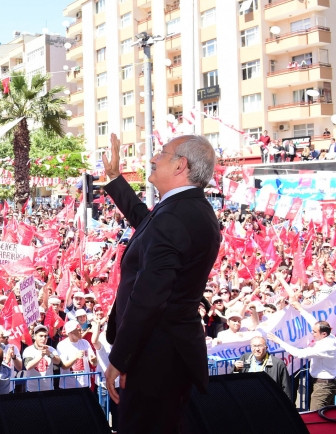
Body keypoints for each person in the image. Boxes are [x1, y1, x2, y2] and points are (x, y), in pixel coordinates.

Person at [101, 133, 221, 432]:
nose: (153, 158)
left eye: (161, 153)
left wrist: (121, 358)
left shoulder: (176, 215)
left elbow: (149, 297)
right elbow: (147, 223)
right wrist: (116, 179)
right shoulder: (187, 209)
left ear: (181, 165)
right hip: (168, 354)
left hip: (155, 358)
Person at [267, 303, 336, 410]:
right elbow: (313, 321)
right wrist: (300, 309)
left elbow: (299, 353)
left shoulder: (325, 346)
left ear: (324, 334)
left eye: (314, 332)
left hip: (324, 385)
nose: (312, 333)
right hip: (325, 383)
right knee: (327, 414)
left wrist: (278, 341)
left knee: (315, 414)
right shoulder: (329, 336)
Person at [232, 336, 293, 402]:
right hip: (249, 400)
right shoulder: (245, 358)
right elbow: (234, 381)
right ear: (251, 347)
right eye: (254, 346)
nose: (257, 349)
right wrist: (236, 370)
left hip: (269, 401)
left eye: (260, 346)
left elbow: (286, 388)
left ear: (266, 347)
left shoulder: (278, 364)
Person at [56, 320, 96, 389]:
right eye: (78, 330)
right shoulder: (62, 345)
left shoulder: (85, 343)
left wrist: (94, 360)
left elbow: (94, 363)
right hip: (68, 387)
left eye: (81, 330)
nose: (81, 332)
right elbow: (63, 366)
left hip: (85, 385)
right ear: (70, 333)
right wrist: (76, 357)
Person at [22, 324, 61, 392]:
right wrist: (41, 355)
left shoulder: (51, 349)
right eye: (41, 336)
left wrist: (50, 354)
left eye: (45, 336)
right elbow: (28, 366)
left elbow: (58, 362)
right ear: (34, 337)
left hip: (49, 389)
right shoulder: (28, 350)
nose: (43, 338)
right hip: (32, 390)